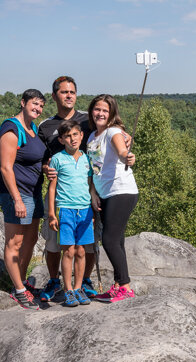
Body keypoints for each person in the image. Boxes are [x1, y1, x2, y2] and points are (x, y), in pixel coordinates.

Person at [36, 76, 99, 301]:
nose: (69, 96)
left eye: (72, 92)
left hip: (85, 193)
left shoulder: (87, 119)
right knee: (55, 242)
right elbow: (39, 156)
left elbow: (108, 130)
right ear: (54, 96)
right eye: (64, 92)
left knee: (86, 244)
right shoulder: (46, 126)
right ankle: (55, 281)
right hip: (60, 194)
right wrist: (45, 168)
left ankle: (84, 282)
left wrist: (125, 137)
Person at [0, 89, 47, 309]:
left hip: (34, 193)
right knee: (15, 242)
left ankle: (23, 282)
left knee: (31, 239)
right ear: (23, 102)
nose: (37, 108)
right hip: (17, 194)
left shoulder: (32, 128)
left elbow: (33, 159)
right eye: (34, 104)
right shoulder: (11, 128)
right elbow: (6, 168)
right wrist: (16, 199)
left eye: (41, 106)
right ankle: (18, 290)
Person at [86, 94, 138, 303]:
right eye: (97, 109)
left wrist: (127, 156)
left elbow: (122, 150)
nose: (100, 113)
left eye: (105, 111)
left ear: (111, 114)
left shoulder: (113, 132)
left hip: (121, 191)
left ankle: (124, 286)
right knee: (118, 240)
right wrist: (93, 193)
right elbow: (94, 168)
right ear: (92, 111)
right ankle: (118, 285)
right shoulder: (91, 137)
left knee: (108, 239)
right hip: (104, 193)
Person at [46, 119, 95, 307]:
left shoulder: (86, 159)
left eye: (76, 134)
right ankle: (67, 290)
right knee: (68, 251)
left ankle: (78, 287)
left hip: (84, 210)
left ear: (81, 136)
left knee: (81, 251)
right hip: (65, 209)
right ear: (61, 140)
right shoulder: (58, 159)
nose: (72, 139)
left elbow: (90, 185)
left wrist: (93, 205)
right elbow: (52, 188)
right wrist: (51, 214)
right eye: (68, 136)